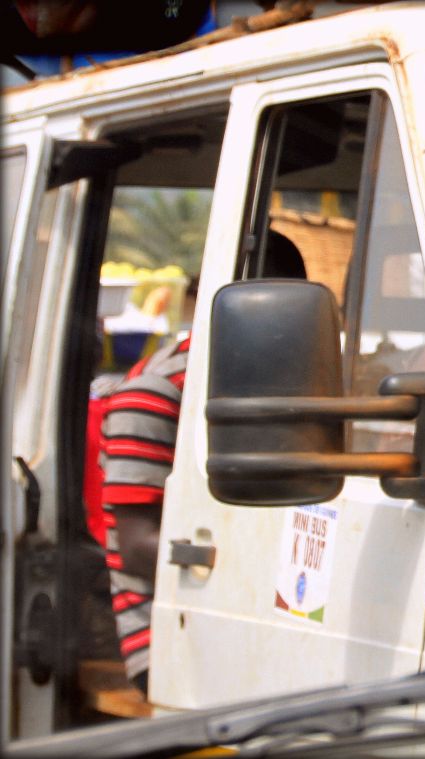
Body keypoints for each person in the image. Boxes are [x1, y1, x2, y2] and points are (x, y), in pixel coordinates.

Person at [98, 229, 307, 696]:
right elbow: (137, 547)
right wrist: (274, 572)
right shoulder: (155, 391)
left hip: (256, 616)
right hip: (170, 634)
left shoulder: (286, 383)